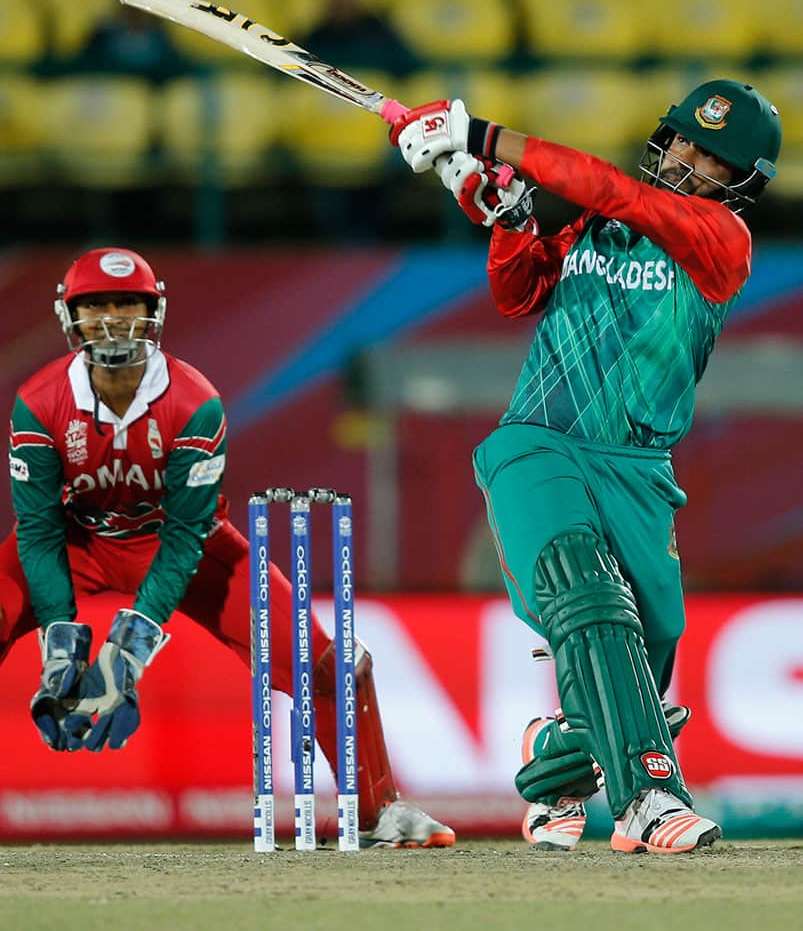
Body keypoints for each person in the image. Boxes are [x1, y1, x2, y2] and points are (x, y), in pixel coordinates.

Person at [388, 78, 781, 853]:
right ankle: (649, 799)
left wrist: (483, 139)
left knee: (646, 648)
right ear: (662, 136)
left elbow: (603, 187)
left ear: (740, 184)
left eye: (712, 159)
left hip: (637, 467)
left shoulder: (719, 241)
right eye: (683, 142)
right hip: (537, 440)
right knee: (589, 596)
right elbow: (516, 292)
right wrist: (505, 216)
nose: (687, 161)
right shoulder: (589, 221)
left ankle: (554, 765)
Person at [3, 247, 455, 850]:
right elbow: (35, 531)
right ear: (71, 317)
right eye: (98, 306)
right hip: (72, 540)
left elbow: (187, 533)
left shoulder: (195, 404)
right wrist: (61, 645)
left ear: (153, 311)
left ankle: (379, 811)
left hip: (177, 545)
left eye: (127, 305)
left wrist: (129, 649)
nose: (112, 320)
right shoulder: (38, 403)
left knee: (334, 664)